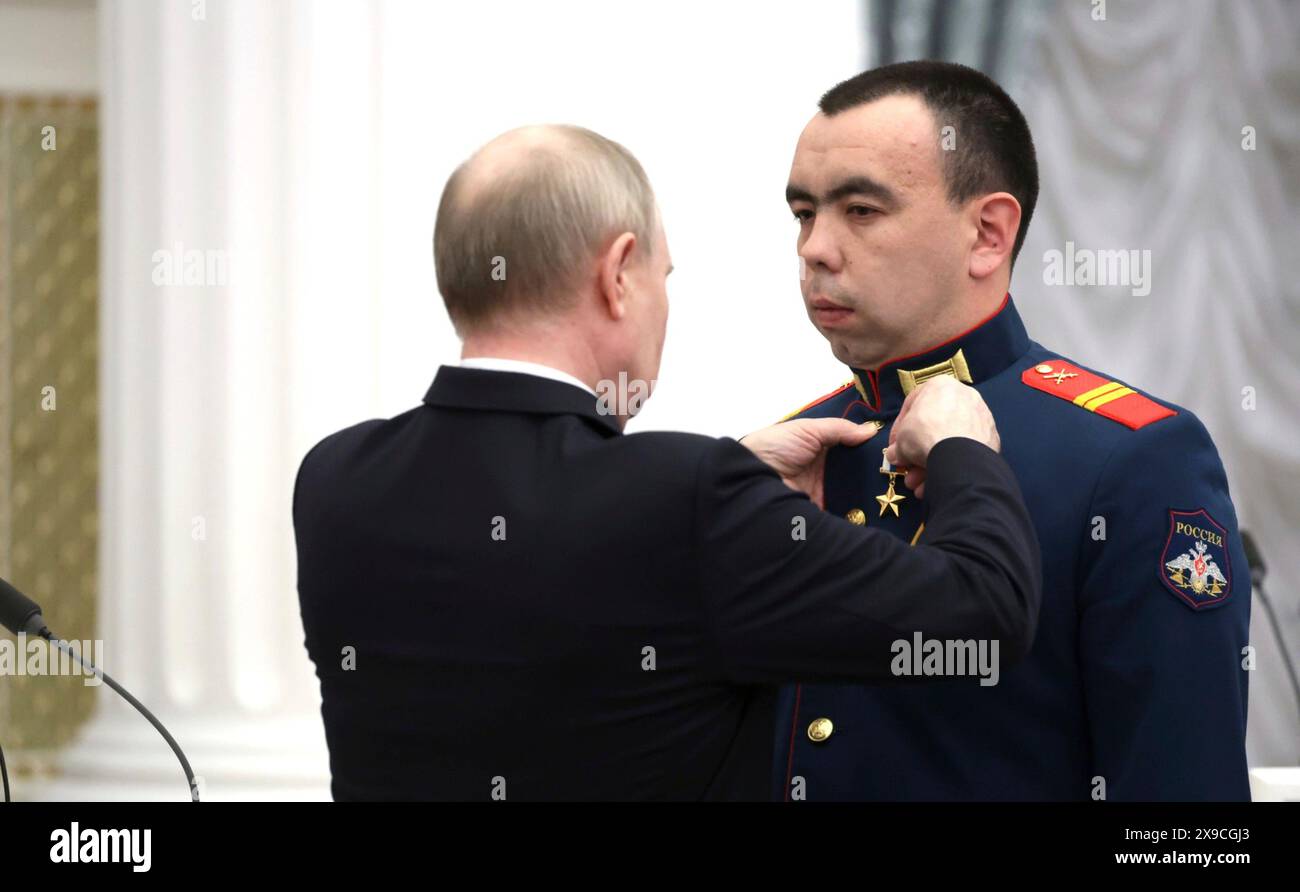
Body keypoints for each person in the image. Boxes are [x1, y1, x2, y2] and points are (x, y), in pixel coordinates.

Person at [293, 123, 1040, 801]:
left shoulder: (333, 478)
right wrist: (959, 445)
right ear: (617, 274)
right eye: (664, 276)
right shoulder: (687, 500)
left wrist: (733, 492)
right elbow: (980, 624)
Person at [777, 61, 1250, 801]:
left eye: (860, 211)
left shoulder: (1128, 457)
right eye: (804, 213)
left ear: (989, 234)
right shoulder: (790, 449)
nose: (814, 248)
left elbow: (1183, 817)